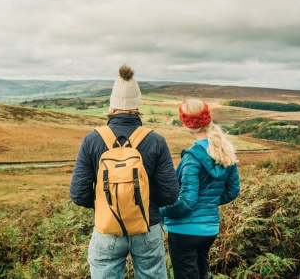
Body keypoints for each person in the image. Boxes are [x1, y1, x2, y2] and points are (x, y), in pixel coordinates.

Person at [69, 65, 179, 279]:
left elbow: (78, 194)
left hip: (106, 229)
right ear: (138, 104)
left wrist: (107, 202)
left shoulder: (91, 140)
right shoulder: (155, 140)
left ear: (112, 104)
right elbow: (170, 195)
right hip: (148, 227)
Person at [159, 99, 240, 279]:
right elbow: (233, 190)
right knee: (202, 275)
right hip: (209, 229)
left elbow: (187, 201)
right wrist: (208, 203)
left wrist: (160, 211)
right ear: (207, 118)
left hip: (184, 231)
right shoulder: (225, 151)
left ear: (185, 123)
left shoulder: (192, 158)